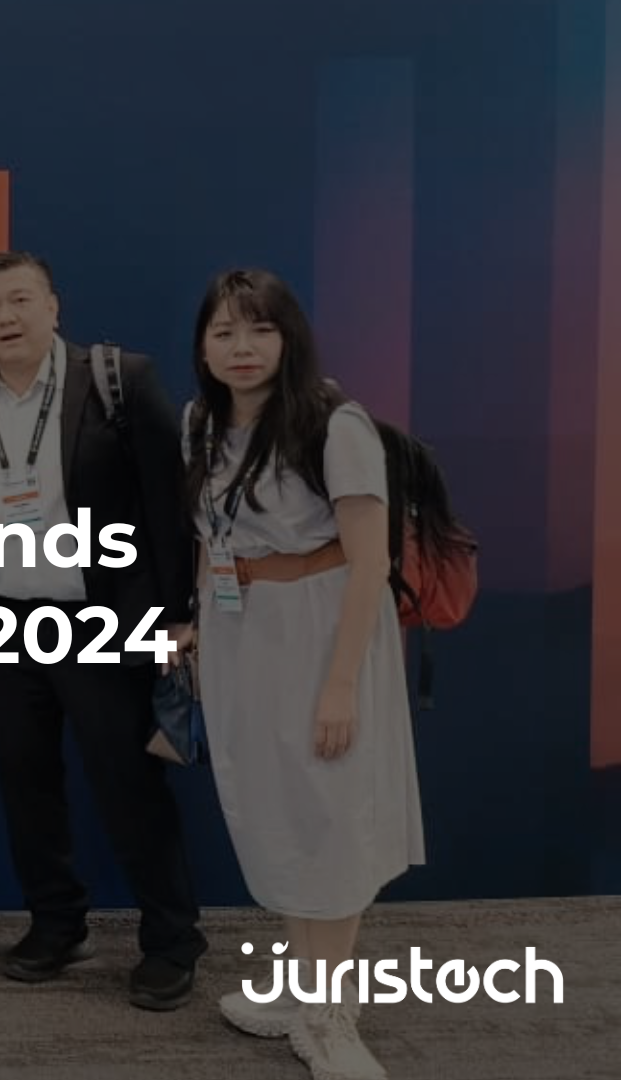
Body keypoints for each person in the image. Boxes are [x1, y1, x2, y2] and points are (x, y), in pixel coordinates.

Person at [0, 250, 207, 1010]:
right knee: (27, 786)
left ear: (54, 306)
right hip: (7, 625)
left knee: (128, 785)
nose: (7, 318)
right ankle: (57, 924)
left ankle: (172, 939)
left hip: (103, 623)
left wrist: (178, 617)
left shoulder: (120, 380)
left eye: (21, 300)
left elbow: (166, 505)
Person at [180, 268, 425, 1079]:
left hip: (322, 631)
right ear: (204, 348)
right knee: (277, 811)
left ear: (289, 336)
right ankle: (300, 988)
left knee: (332, 816)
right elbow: (210, 539)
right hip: (240, 632)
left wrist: (341, 683)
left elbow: (369, 565)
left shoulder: (333, 424)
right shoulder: (199, 424)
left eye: (258, 329)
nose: (241, 348)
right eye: (223, 333)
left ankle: (330, 1018)